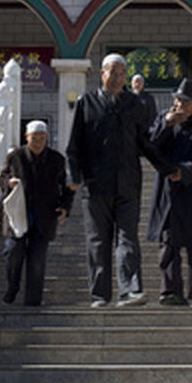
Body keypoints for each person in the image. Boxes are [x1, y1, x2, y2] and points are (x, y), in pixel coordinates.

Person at [67, 53, 176, 307]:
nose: (116, 78)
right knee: (98, 241)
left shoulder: (133, 104)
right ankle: (100, 295)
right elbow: (74, 145)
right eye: (112, 72)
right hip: (96, 184)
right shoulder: (86, 102)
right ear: (102, 74)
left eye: (121, 74)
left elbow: (145, 143)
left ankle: (130, 290)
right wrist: (73, 176)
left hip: (128, 183)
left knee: (128, 238)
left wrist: (167, 167)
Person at [146, 79, 192, 306]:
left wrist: (186, 172)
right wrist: (166, 125)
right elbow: (149, 146)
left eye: (186, 102)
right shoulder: (164, 118)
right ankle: (170, 291)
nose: (180, 105)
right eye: (177, 100)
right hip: (167, 191)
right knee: (168, 243)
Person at [0, 119, 73, 306]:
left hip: (44, 217)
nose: (38, 141)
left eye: (42, 137)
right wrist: (9, 183)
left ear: (47, 138)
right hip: (17, 215)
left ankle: (33, 302)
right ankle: (12, 287)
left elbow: (66, 187)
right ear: (26, 137)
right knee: (13, 253)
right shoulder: (15, 156)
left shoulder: (57, 160)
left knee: (37, 262)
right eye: (34, 137)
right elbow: (2, 177)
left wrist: (64, 207)